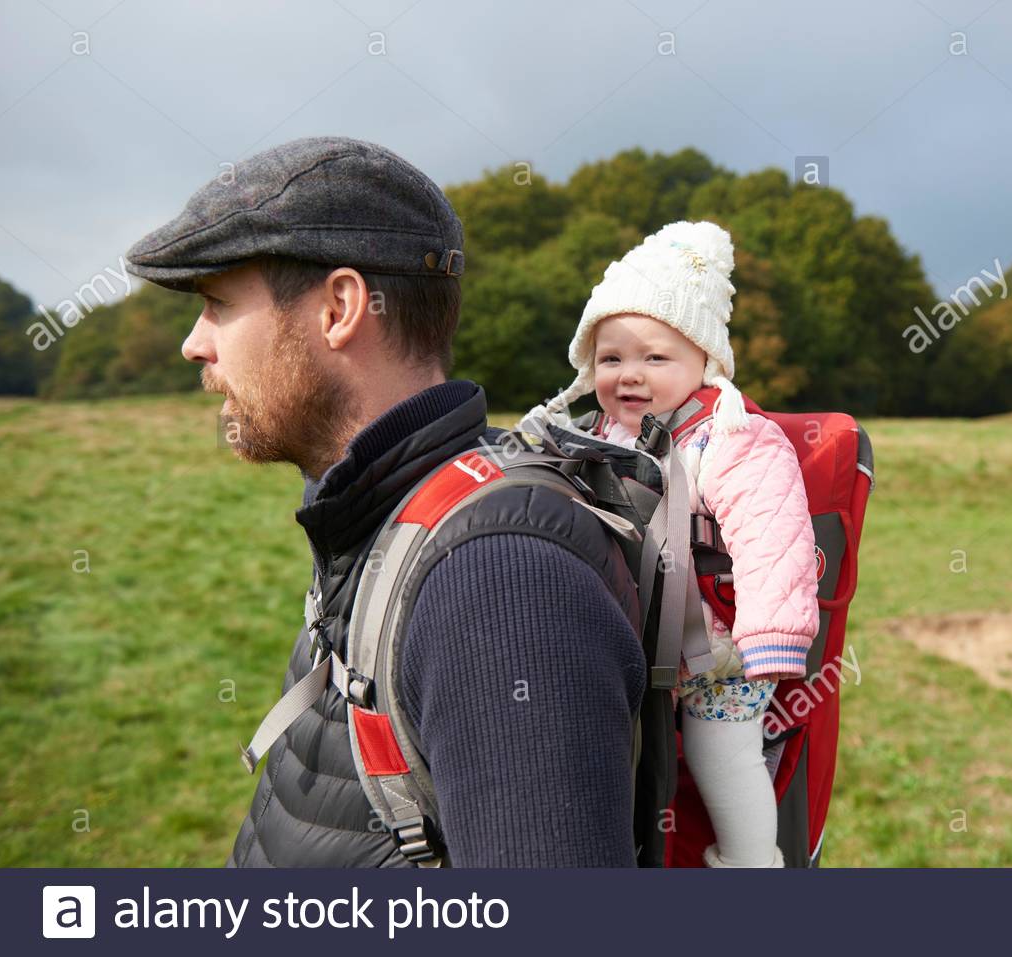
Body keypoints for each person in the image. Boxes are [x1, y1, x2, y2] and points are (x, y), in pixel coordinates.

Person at [124, 136, 646, 867]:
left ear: (340, 307)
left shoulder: (496, 588)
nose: (194, 344)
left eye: (216, 303)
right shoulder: (370, 521)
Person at [526, 221, 821, 867]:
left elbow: (776, 536)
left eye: (655, 358)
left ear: (704, 361)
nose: (630, 375)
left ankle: (752, 863)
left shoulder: (733, 437)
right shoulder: (598, 431)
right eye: (611, 359)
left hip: (721, 650)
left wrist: (771, 636)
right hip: (633, 637)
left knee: (725, 754)